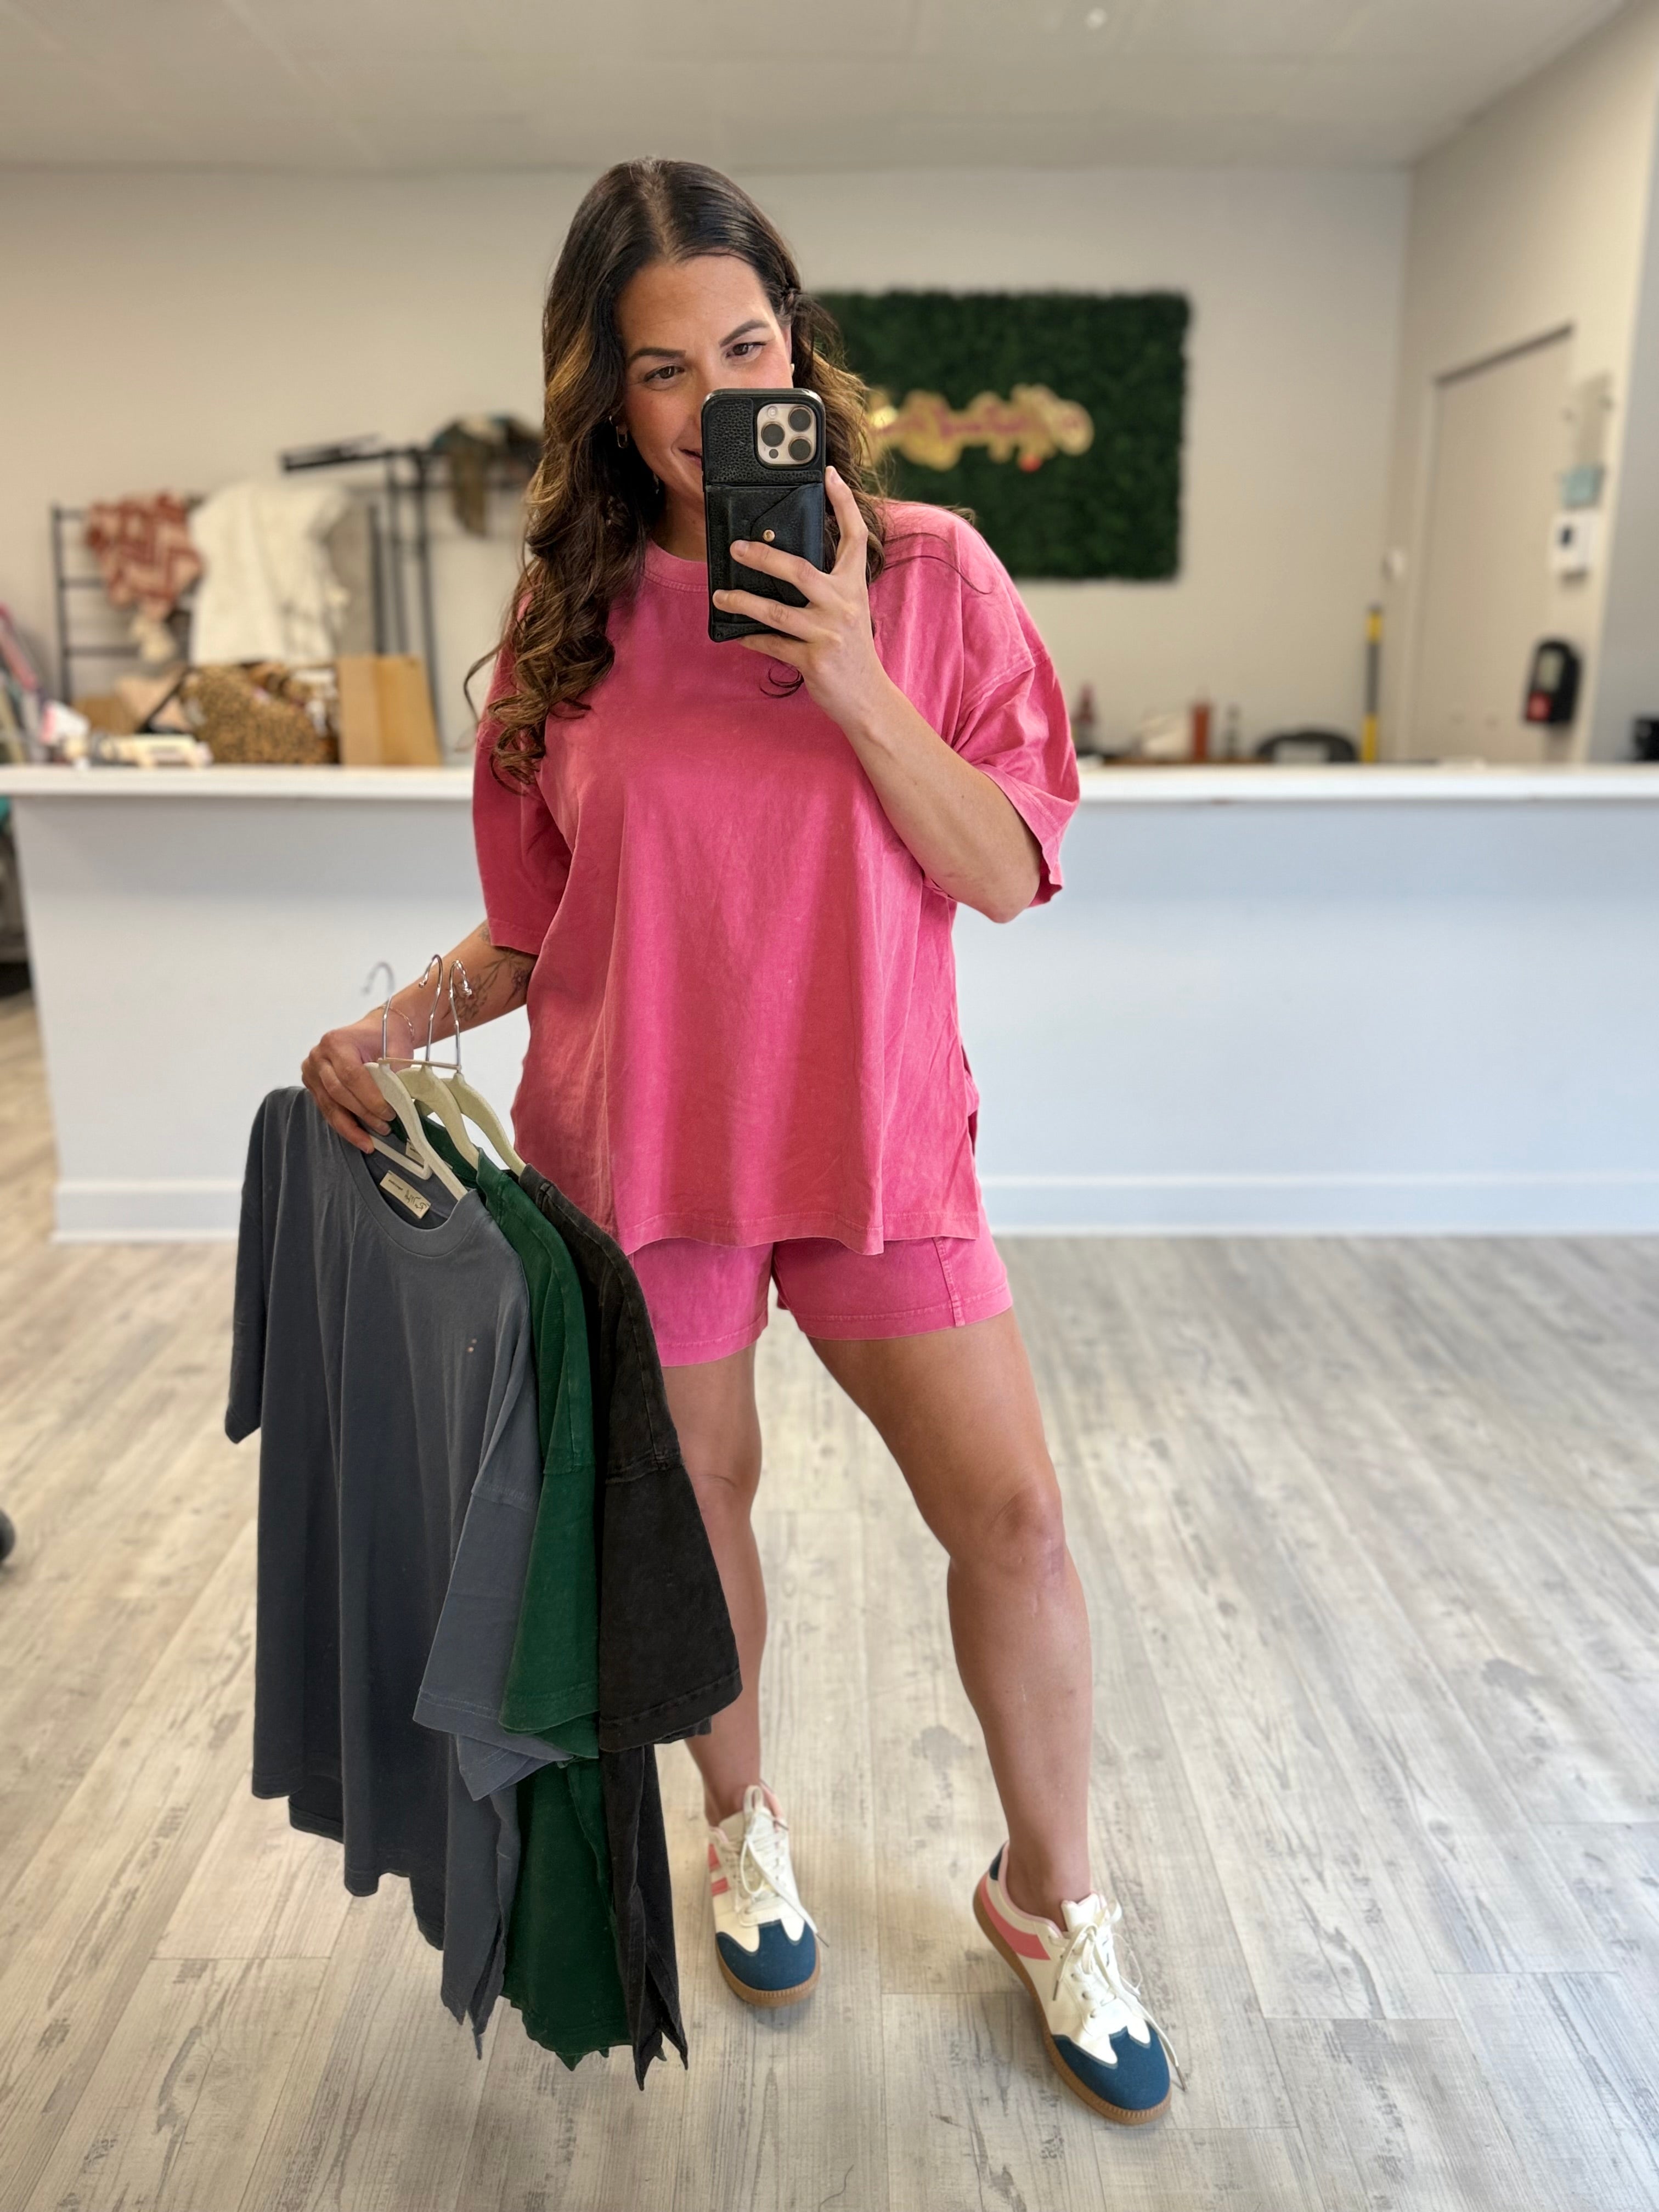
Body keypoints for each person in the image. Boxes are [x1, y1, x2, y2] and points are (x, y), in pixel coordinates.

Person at [302, 157, 1176, 2125]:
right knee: (700, 1510)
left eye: (749, 349)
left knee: (1015, 1522)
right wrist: (392, 1024)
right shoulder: (569, 614)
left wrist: (848, 669)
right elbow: (539, 930)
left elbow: (1006, 868)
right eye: (665, 370)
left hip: (876, 1141)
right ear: (609, 400)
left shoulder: (929, 575)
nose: (717, 405)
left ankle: (1054, 1898)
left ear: (802, 347)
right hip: (644, 1156)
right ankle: (741, 1819)